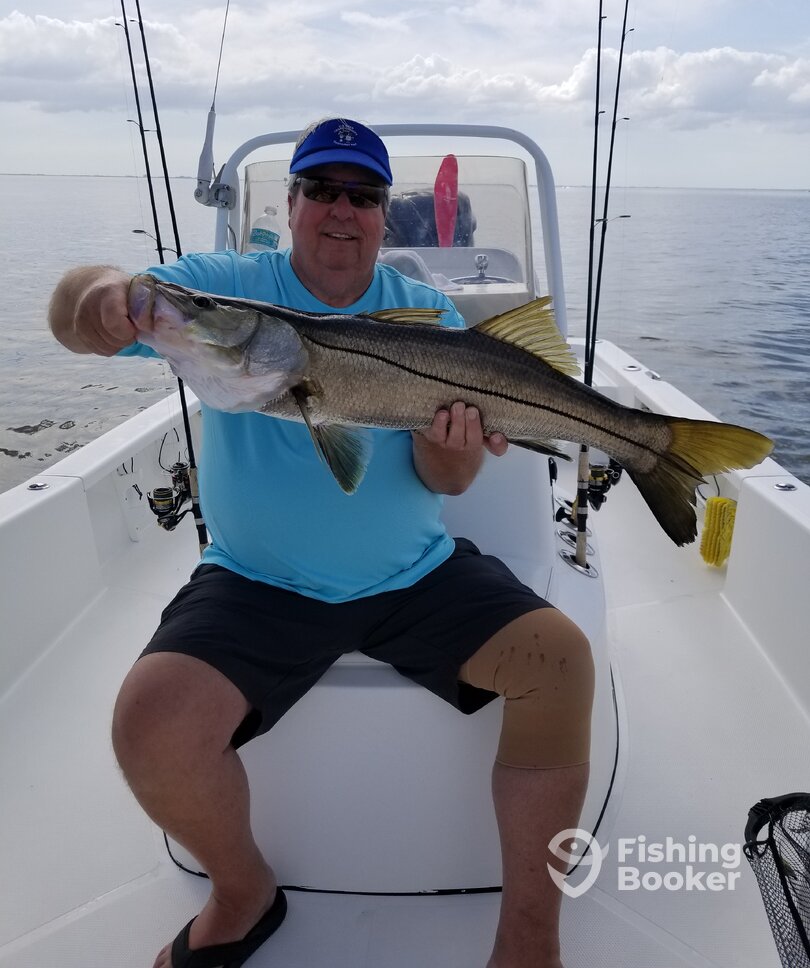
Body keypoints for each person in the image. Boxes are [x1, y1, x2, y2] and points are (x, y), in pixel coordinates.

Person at [48, 117, 594, 968]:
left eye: (363, 196)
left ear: (384, 215)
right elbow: (77, 315)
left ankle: (529, 939)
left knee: (561, 662)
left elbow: (447, 484)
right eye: (322, 191)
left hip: (414, 576)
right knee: (149, 723)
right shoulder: (226, 288)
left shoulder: (428, 315)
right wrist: (104, 292)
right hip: (255, 581)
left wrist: (453, 443)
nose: (342, 211)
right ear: (292, 202)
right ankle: (243, 890)